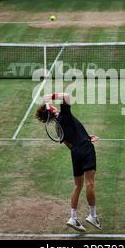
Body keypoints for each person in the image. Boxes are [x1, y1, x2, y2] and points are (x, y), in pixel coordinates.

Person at [35, 93, 101, 232]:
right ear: (52, 110)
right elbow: (66, 95)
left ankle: (73, 217)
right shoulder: (64, 114)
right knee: (90, 183)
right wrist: (50, 96)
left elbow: (69, 144)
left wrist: (86, 137)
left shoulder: (58, 129)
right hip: (86, 149)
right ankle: (92, 216)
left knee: (78, 185)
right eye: (53, 107)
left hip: (75, 152)